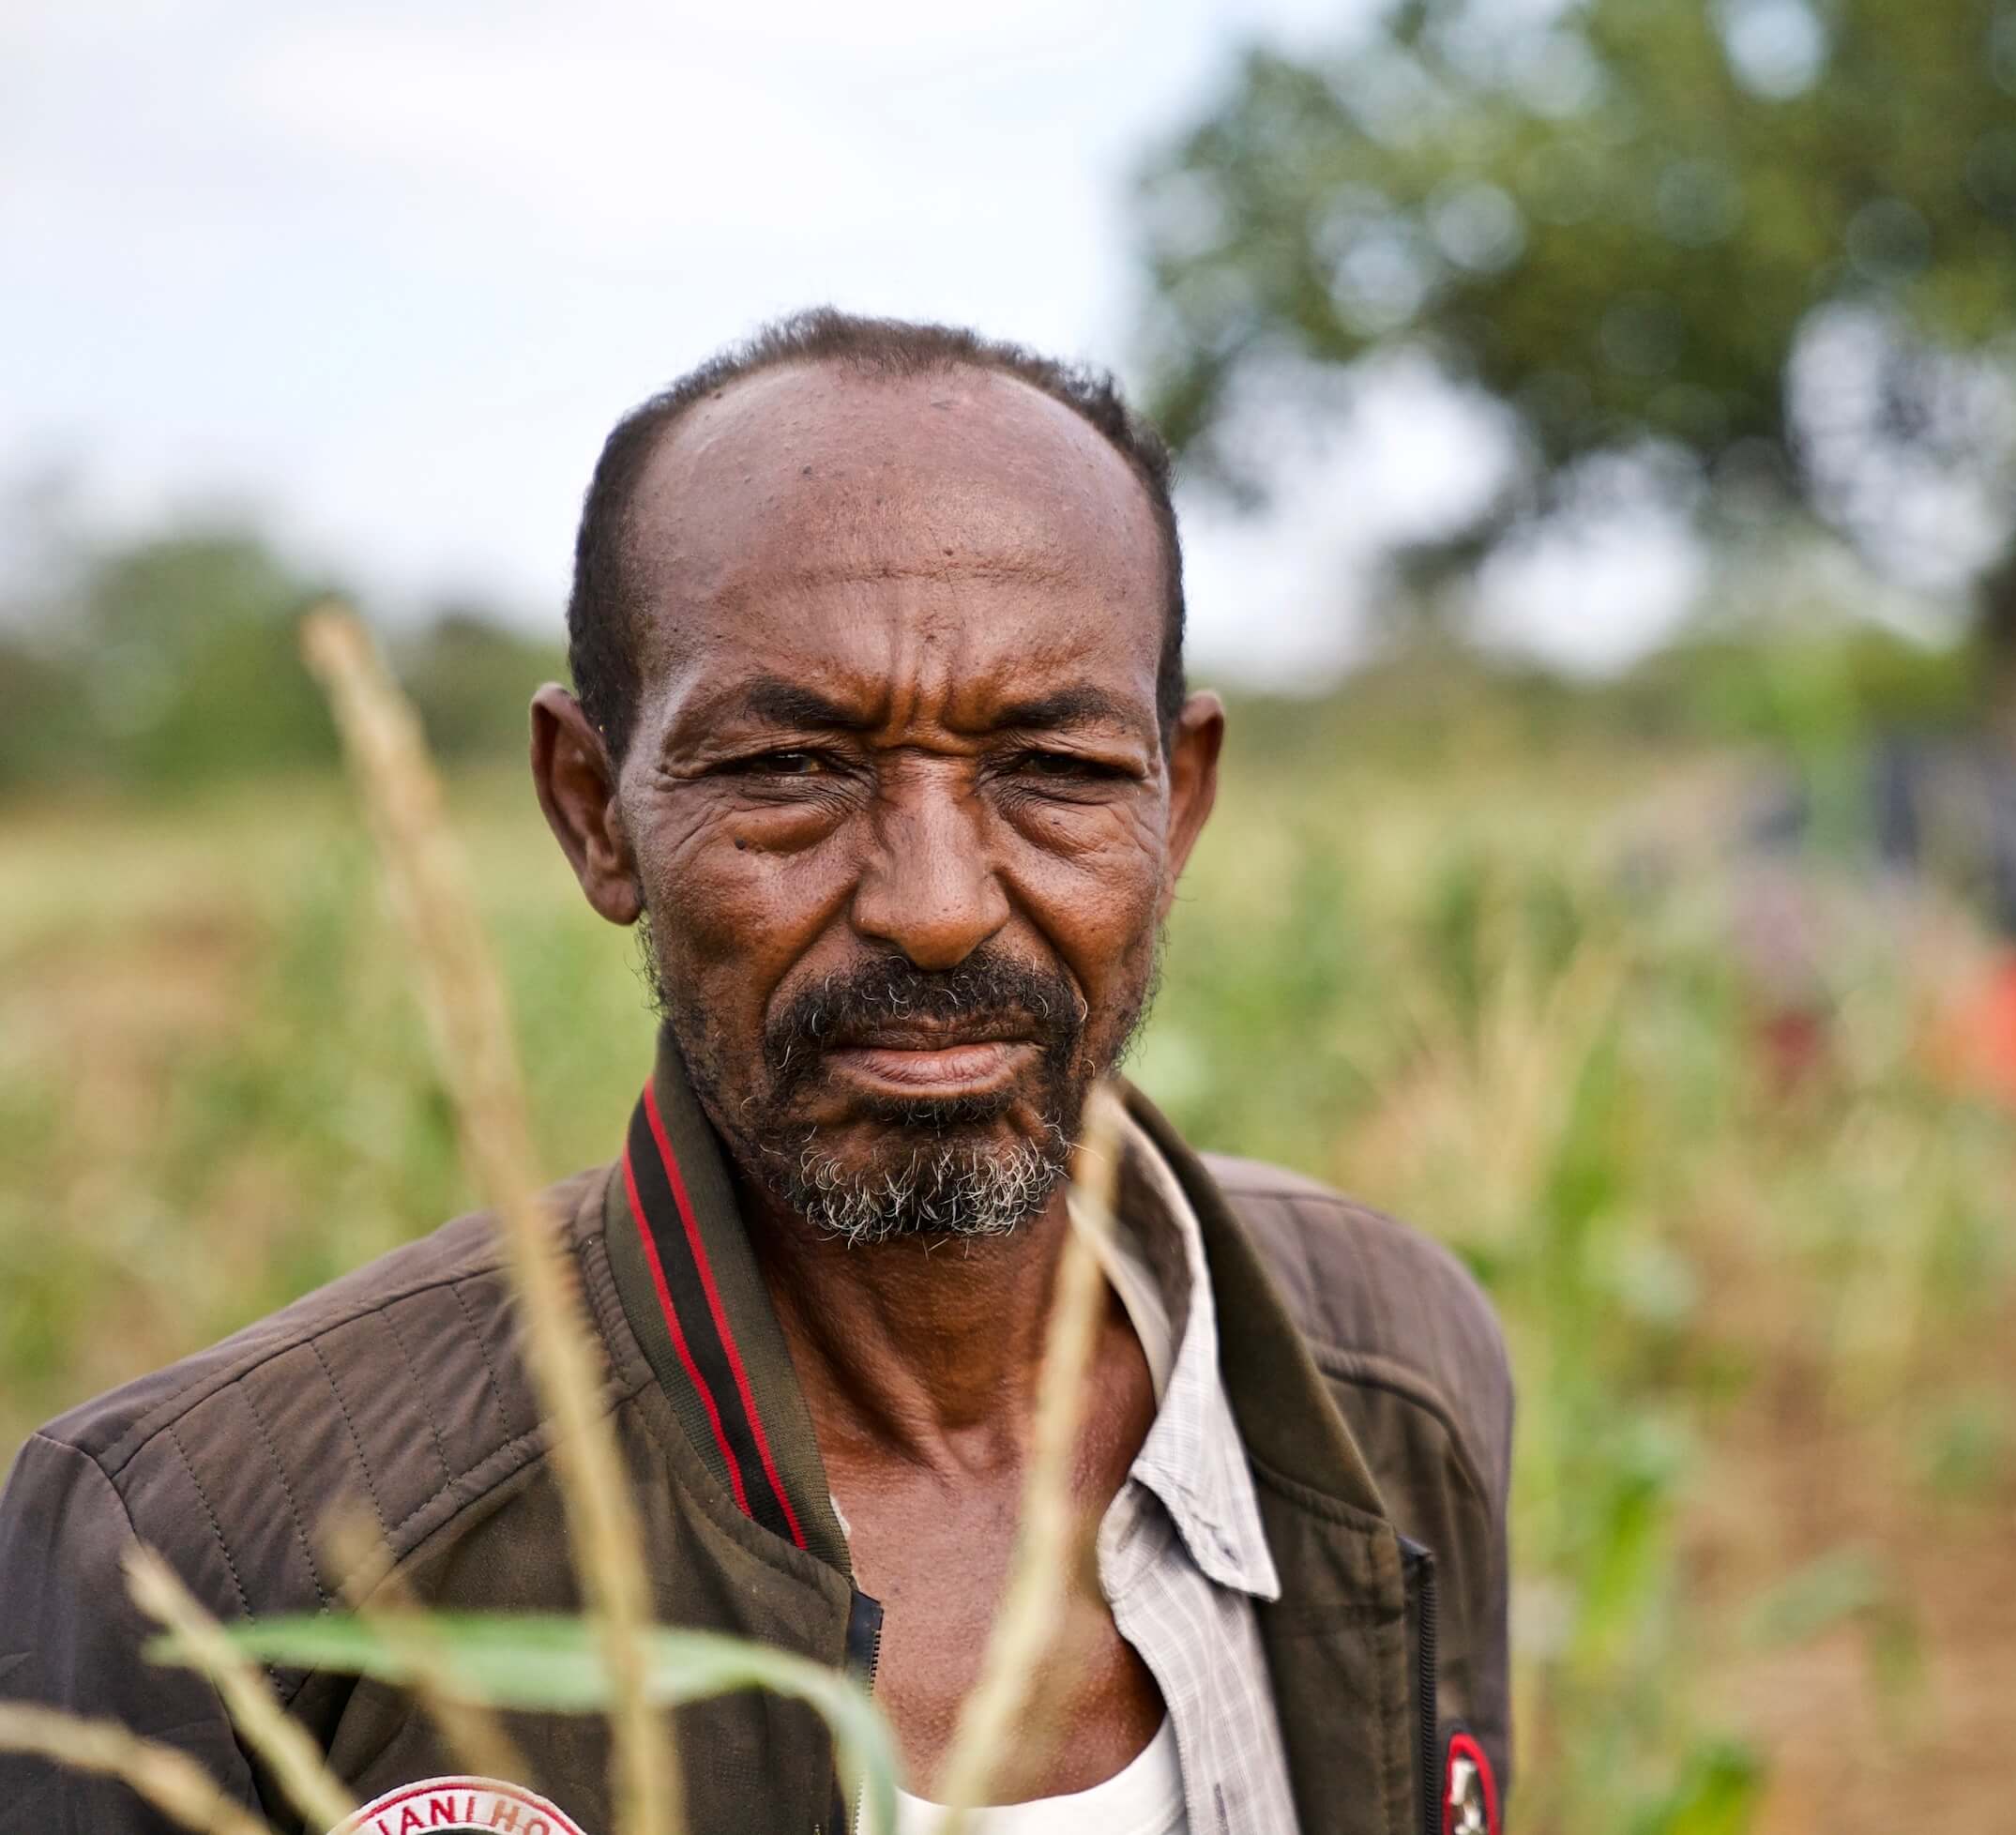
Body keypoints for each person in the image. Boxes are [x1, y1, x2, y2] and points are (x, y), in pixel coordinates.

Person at [0, 311, 1512, 1835]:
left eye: (1051, 768)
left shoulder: (1386, 1368)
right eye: (790, 768)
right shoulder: (209, 1543)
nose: (932, 904)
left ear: (1173, 810)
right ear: (594, 808)